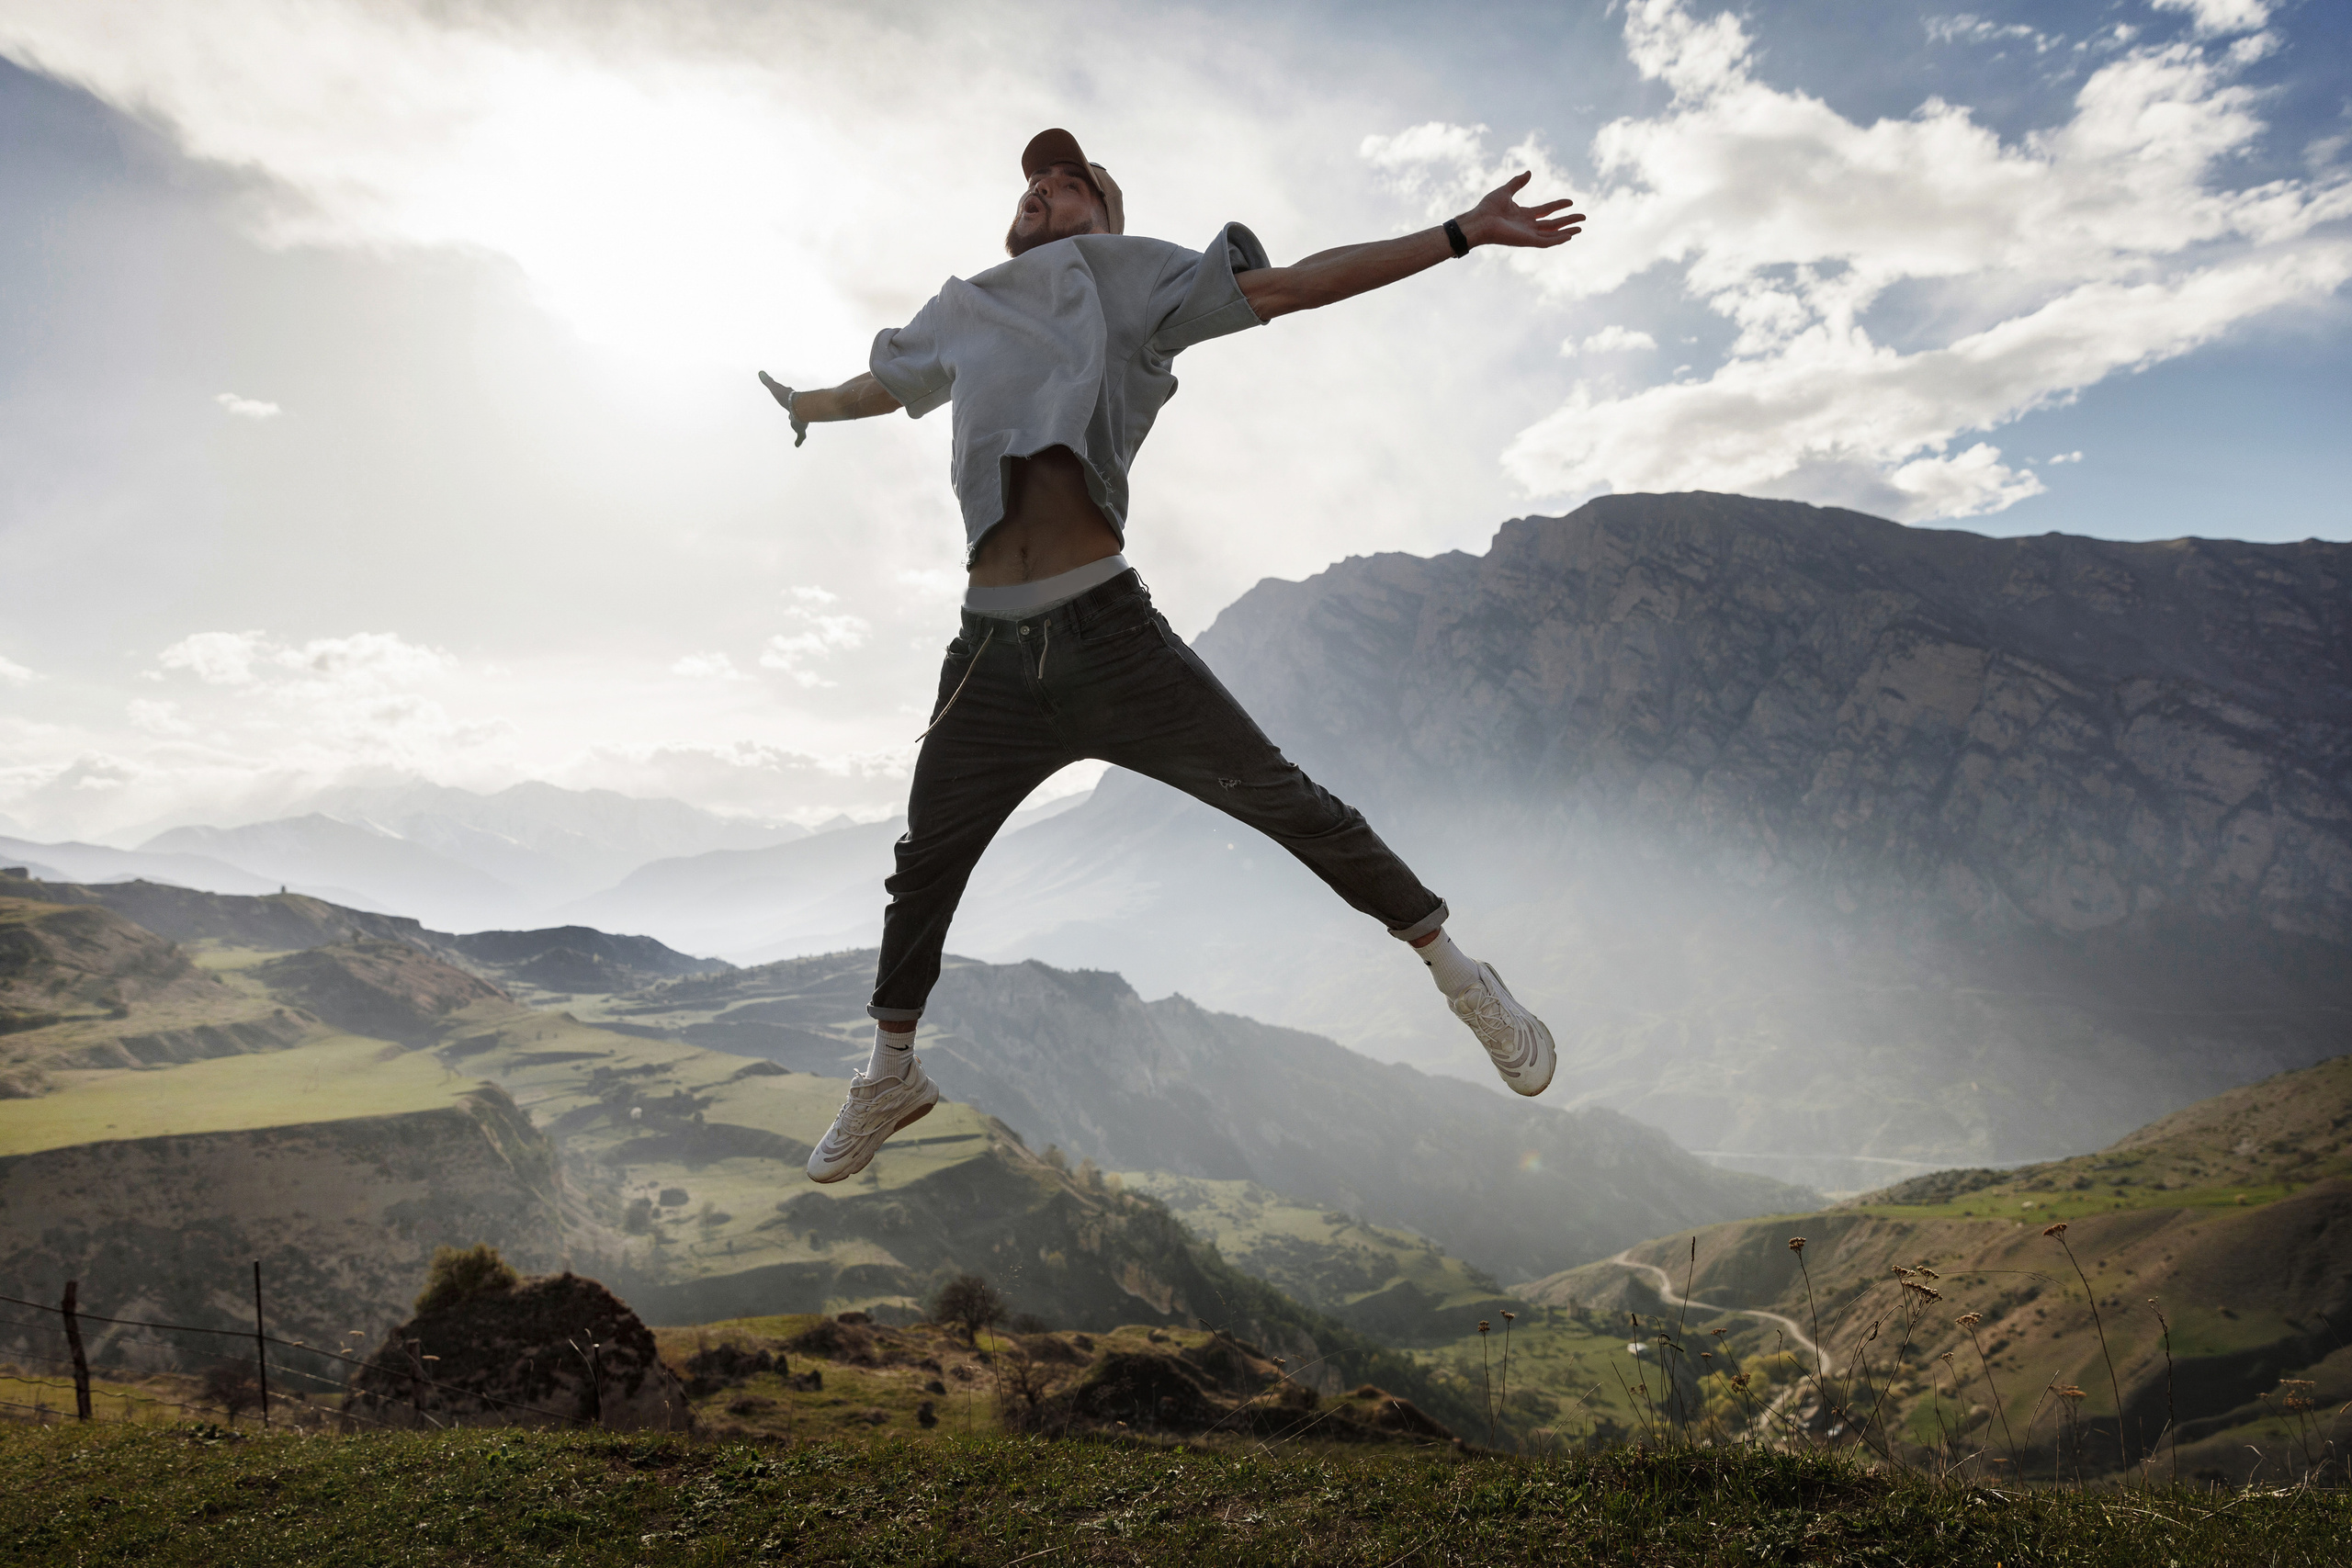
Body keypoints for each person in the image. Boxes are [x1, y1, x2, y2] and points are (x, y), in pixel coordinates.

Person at [763, 129, 1585, 1183]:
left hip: (1109, 635)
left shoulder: (1133, 275)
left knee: (1286, 802)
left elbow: (1293, 288)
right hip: (991, 655)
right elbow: (883, 386)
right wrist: (805, 407)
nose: (1044, 188)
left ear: (1106, 216)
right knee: (925, 861)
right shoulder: (959, 307)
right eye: (1031, 182)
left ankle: (1462, 978)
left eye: (1072, 183)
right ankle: (890, 1076)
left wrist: (1460, 232)